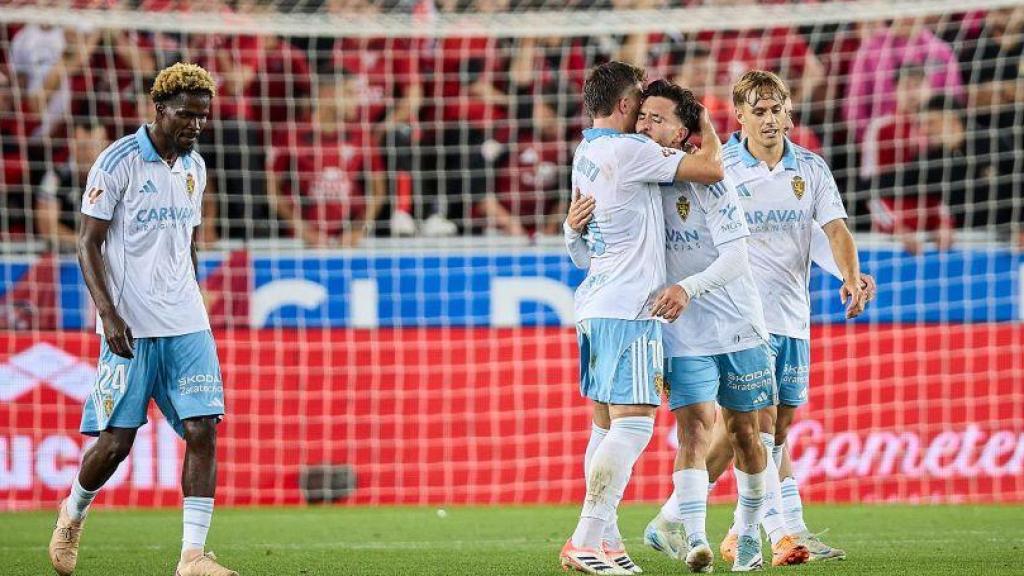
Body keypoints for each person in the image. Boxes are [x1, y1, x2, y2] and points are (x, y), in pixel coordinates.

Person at [48, 62, 237, 576]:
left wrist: (194, 298)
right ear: (159, 109)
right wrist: (107, 314)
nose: (196, 125)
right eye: (186, 115)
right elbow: (88, 244)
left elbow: (188, 244)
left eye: (203, 117)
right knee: (116, 442)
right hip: (130, 323)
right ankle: (73, 512)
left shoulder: (195, 168)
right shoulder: (117, 163)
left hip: (186, 321)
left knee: (203, 429)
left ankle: (192, 557)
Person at [560, 61, 724, 576]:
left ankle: (608, 544)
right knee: (633, 428)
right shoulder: (629, 150)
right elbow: (712, 168)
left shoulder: (585, 151)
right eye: (640, 105)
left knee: (605, 426)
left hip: (595, 303)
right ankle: (584, 538)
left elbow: (580, 249)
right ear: (627, 105)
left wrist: (569, 231)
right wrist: (705, 120)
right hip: (631, 308)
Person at [714, 70, 867, 564]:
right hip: (738, 317)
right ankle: (776, 532)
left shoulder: (811, 169)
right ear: (739, 115)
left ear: (789, 113)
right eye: (758, 111)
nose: (770, 119)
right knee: (753, 426)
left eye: (777, 109)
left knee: (775, 430)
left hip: (791, 317)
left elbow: (834, 231)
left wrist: (851, 274)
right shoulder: (722, 169)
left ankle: (746, 528)